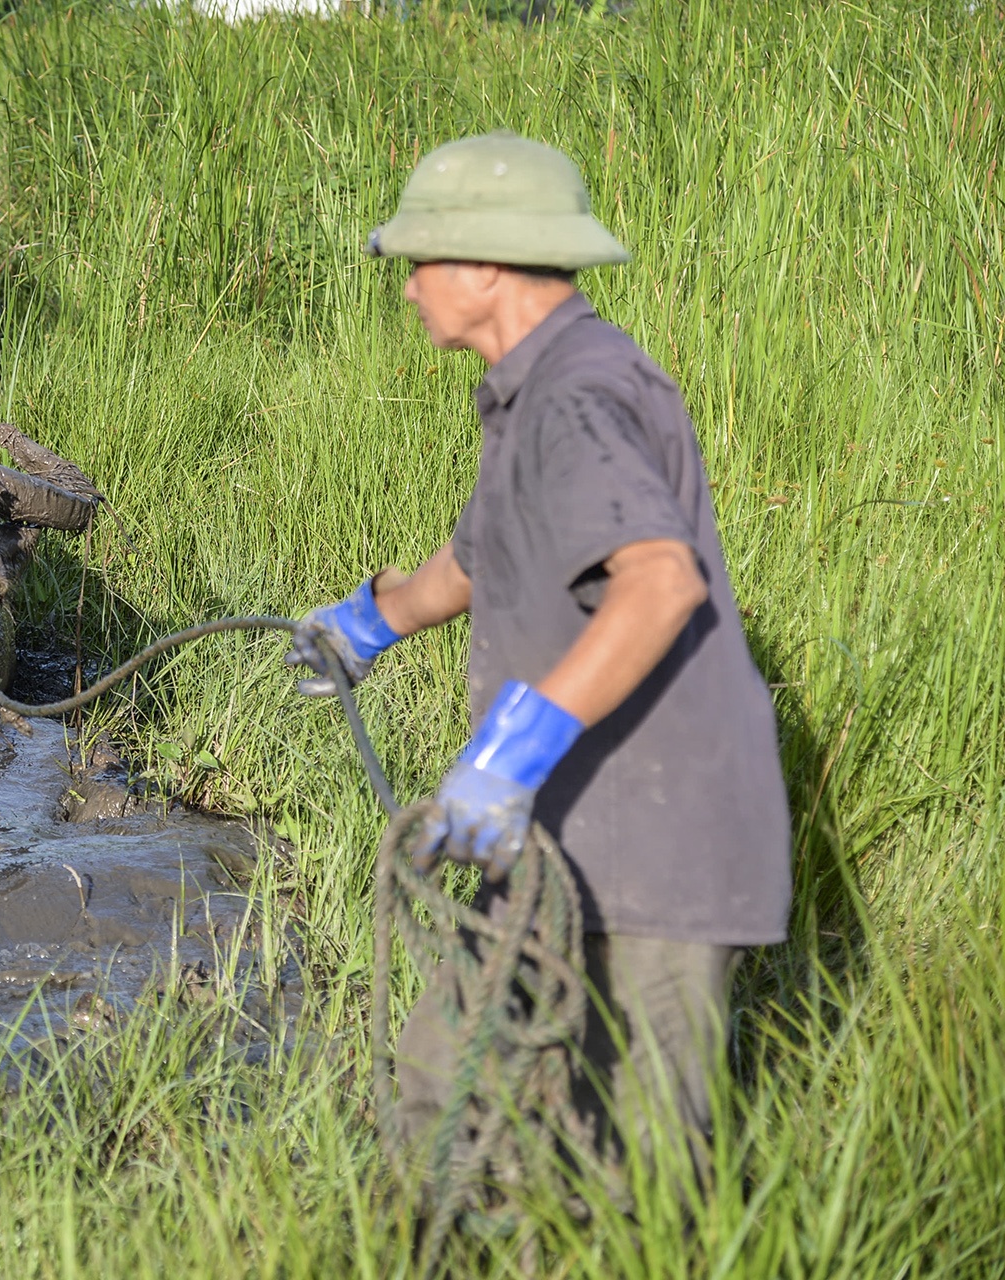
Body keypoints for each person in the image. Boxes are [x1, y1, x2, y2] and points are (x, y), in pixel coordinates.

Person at [291, 131, 791, 1179]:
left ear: (481, 267)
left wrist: (513, 748)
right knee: (440, 1092)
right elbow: (476, 559)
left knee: (639, 1164)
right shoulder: (533, 393)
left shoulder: (577, 393)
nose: (410, 285)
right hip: (562, 837)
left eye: (419, 260)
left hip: (655, 845)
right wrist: (367, 621)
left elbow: (660, 581)